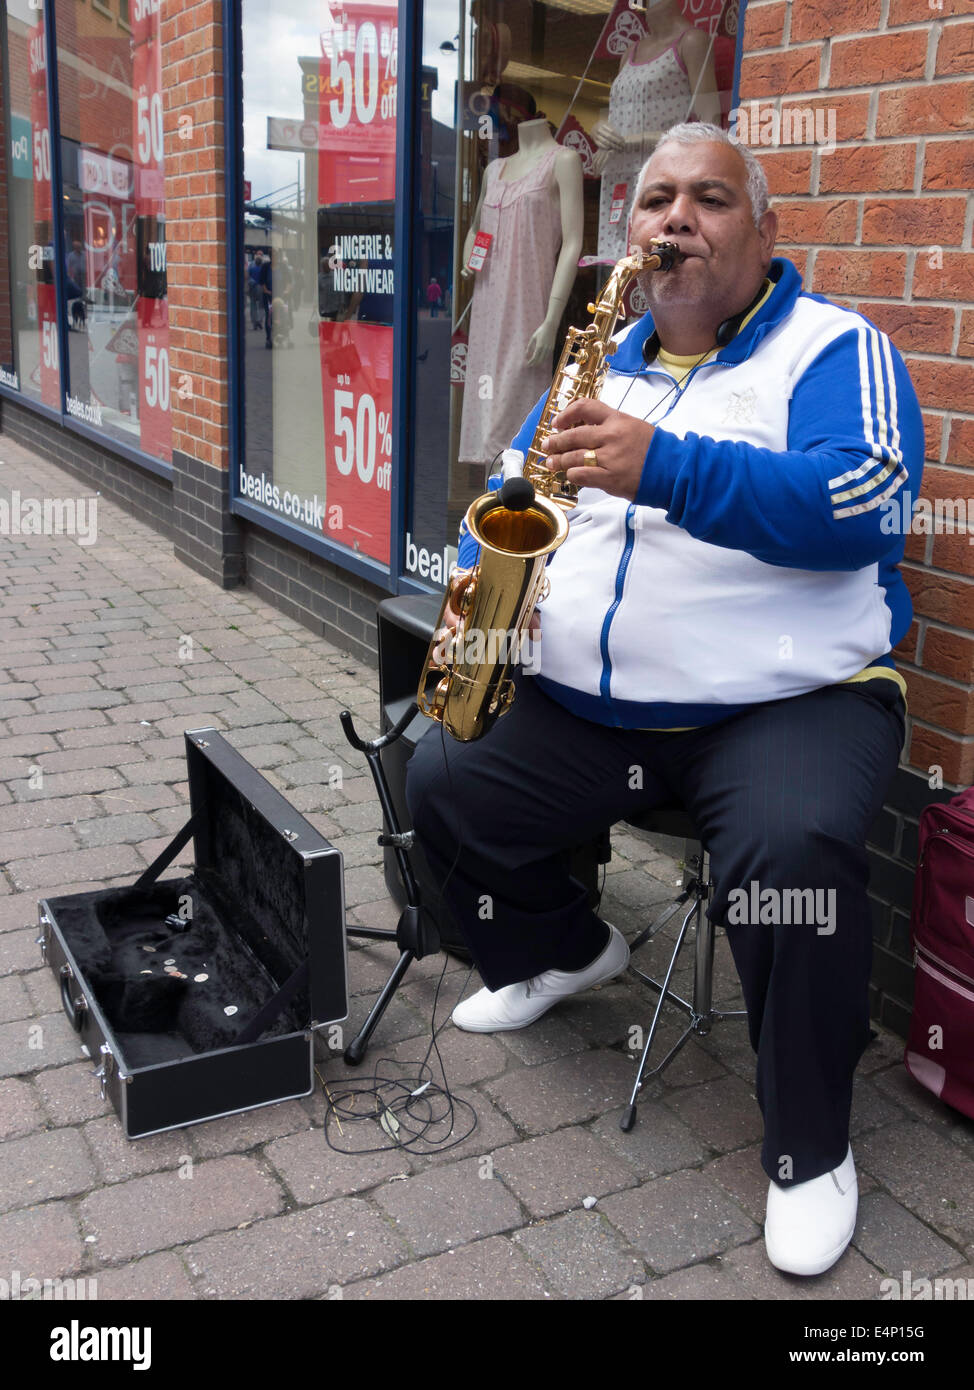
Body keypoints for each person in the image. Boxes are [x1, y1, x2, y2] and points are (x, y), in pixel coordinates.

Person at [405, 122, 923, 1279]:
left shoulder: (836, 350)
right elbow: (506, 491)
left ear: (763, 227)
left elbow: (868, 500)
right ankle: (562, 948)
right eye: (652, 200)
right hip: (598, 708)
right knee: (435, 776)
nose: (673, 219)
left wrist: (666, 468)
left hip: (789, 700)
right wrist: (474, 581)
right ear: (625, 234)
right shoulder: (597, 364)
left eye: (708, 198)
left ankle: (806, 1146)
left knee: (789, 863)